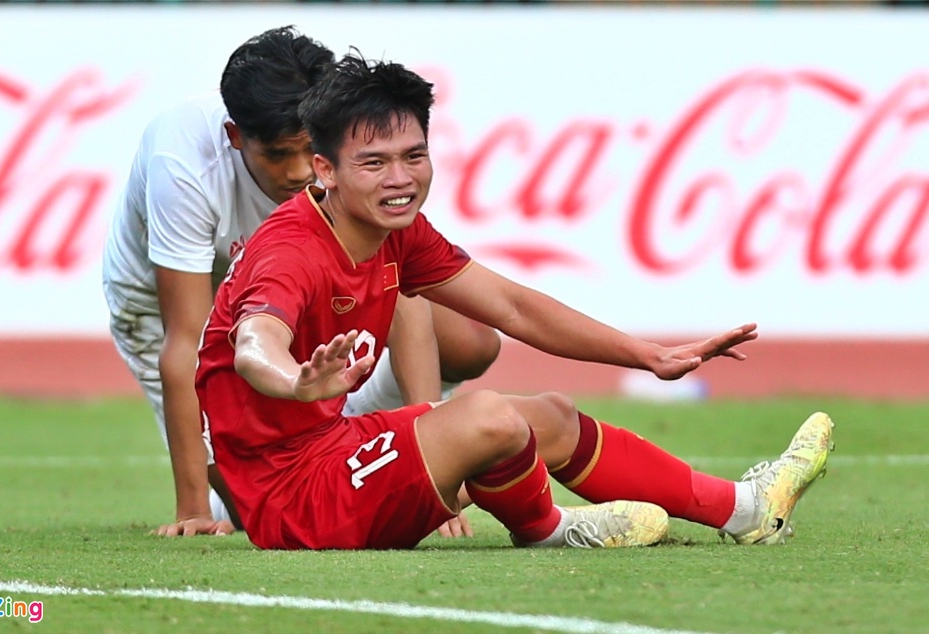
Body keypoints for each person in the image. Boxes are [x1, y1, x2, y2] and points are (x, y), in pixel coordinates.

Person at [193, 53, 834, 551]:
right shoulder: (293, 249)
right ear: (325, 170)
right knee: (491, 419)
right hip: (292, 502)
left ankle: (745, 510)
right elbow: (255, 343)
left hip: (334, 448)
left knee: (549, 416)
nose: (401, 178)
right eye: (375, 163)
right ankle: (553, 531)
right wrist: (296, 382)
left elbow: (512, 308)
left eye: (415, 156)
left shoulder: (392, 229)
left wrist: (648, 356)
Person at [101, 27, 499, 539]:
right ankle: (240, 492)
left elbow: (400, 292)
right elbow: (187, 344)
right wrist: (191, 510)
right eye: (275, 155)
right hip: (167, 311)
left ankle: (347, 438)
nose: (297, 172)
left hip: (294, 296)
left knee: (470, 341)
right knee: (261, 516)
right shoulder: (181, 162)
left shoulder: (344, 141)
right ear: (235, 137)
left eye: (307, 150)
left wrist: (431, 446)